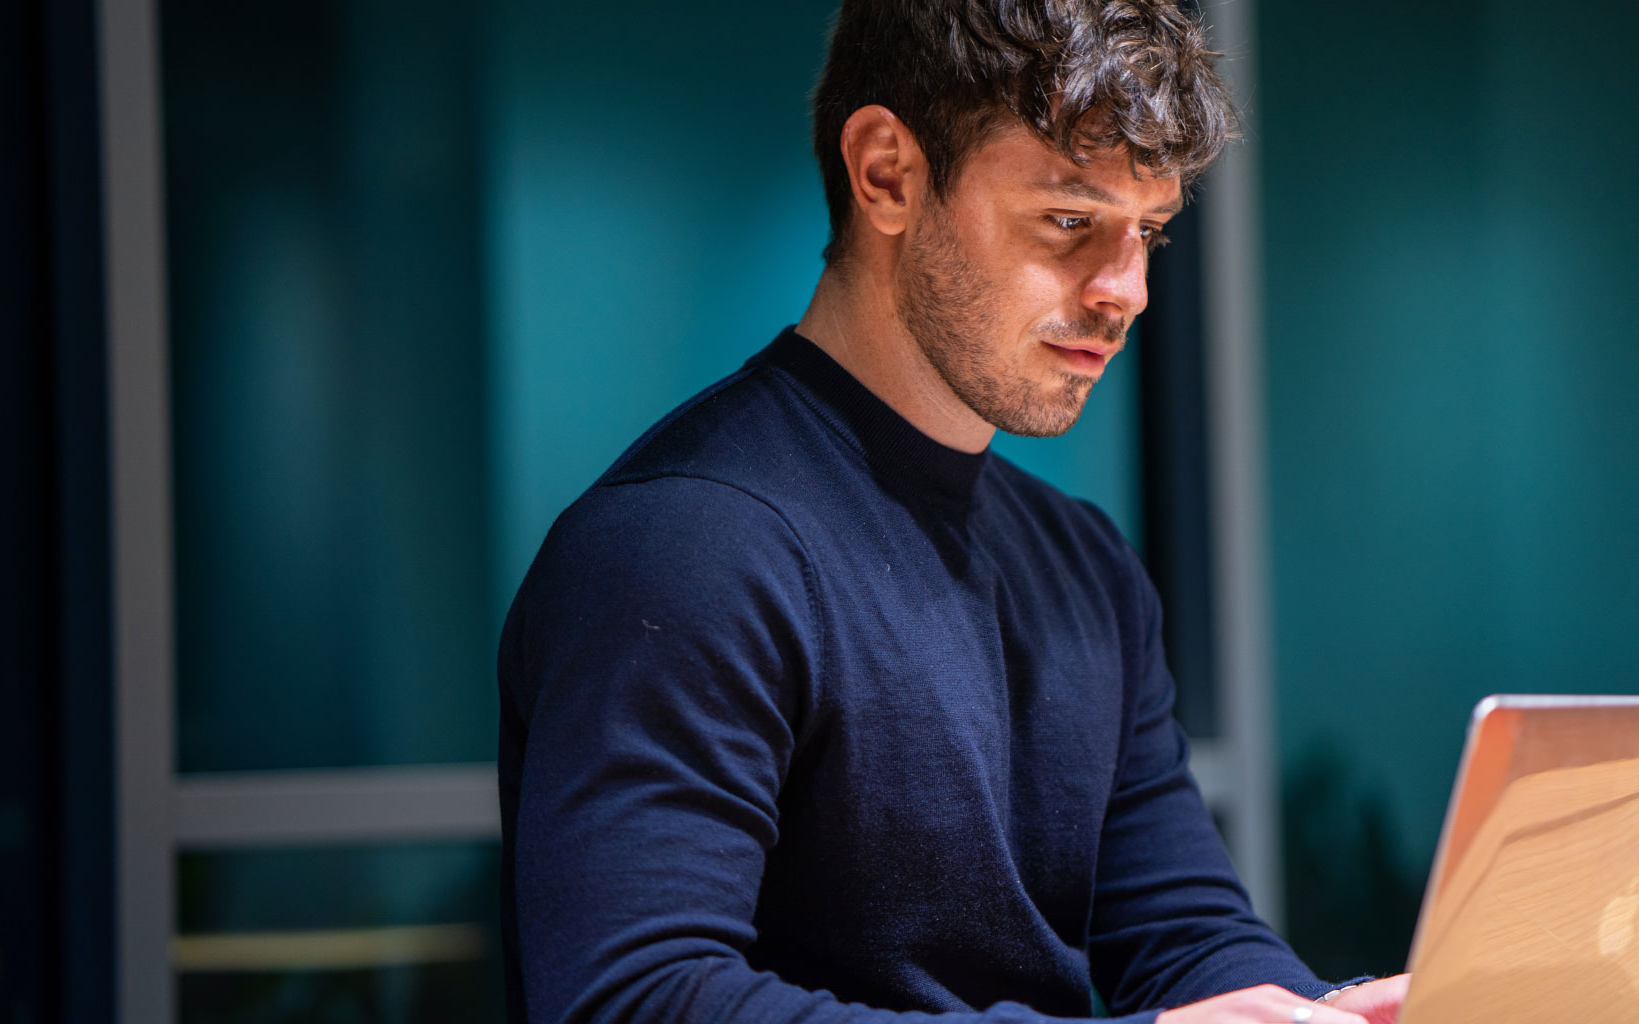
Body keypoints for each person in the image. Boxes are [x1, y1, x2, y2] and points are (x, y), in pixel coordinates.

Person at [496, 2, 1408, 1022]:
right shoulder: (683, 549)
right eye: (1070, 222)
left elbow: (1187, 936)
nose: (1129, 290)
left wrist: (1335, 1014)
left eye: (1147, 231)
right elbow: (634, 998)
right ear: (888, 171)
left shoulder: (1084, 567)